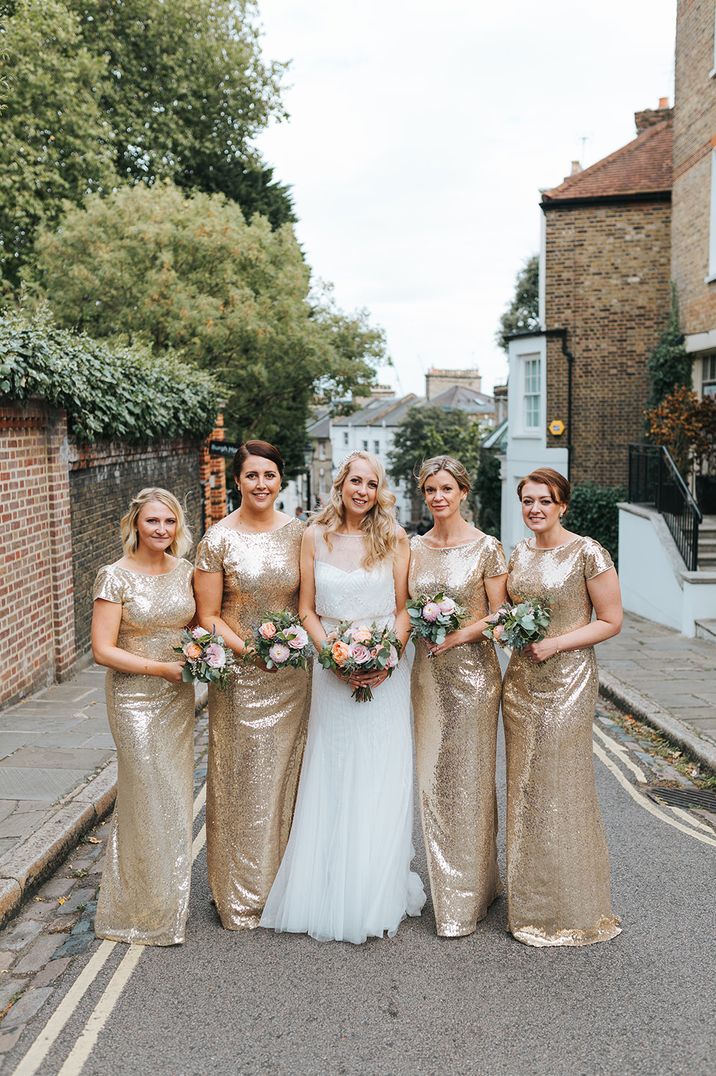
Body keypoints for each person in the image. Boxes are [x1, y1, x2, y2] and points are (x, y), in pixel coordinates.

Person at [261, 451, 425, 943]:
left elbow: (404, 608)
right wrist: (332, 656)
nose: (362, 491)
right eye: (355, 480)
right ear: (341, 484)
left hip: (386, 673)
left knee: (381, 771)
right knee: (332, 770)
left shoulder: (394, 538)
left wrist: (385, 658)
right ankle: (329, 883)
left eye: (371, 484)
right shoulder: (313, 536)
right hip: (330, 669)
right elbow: (306, 609)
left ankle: (376, 886)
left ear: (379, 491)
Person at [502, 467, 623, 947]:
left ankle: (573, 909)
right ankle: (530, 904)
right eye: (528, 501)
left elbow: (611, 620)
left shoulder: (587, 551)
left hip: (568, 682)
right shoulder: (518, 553)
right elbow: (508, 612)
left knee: (561, 787)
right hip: (521, 683)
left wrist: (557, 645)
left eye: (545, 501)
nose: (535, 509)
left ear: (563, 505)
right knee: (526, 787)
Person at [194, 440, 310, 930]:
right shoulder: (216, 541)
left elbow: (310, 605)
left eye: (269, 475)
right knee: (241, 781)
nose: (260, 484)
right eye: (251, 476)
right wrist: (252, 654)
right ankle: (240, 894)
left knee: (290, 780)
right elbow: (208, 617)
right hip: (240, 681)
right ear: (236, 481)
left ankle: (288, 888)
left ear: (279, 480)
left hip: (291, 680)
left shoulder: (301, 535)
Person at [91, 488, 195, 945]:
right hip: (134, 701)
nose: (161, 530)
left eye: (169, 522)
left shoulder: (187, 572)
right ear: (135, 523)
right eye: (153, 521)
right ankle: (134, 910)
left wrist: (203, 656)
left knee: (174, 796)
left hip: (177, 699)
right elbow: (102, 650)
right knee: (145, 793)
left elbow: (196, 627)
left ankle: (167, 903)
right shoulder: (113, 577)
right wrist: (160, 669)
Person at [409, 456, 508, 937]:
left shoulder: (487, 548)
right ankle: (450, 886)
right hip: (426, 679)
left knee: (469, 780)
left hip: (472, 679)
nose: (438, 497)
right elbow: (401, 609)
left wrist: (456, 636)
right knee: (432, 781)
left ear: (463, 491)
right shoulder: (413, 547)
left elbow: (499, 614)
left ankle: (469, 895)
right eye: (430, 490)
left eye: (446, 488)